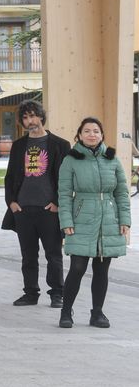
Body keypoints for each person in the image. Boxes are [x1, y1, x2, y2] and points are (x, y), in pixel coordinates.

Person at [57, 117, 130, 329]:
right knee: (77, 267)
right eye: (87, 131)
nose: (92, 134)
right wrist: (66, 220)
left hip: (108, 218)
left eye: (96, 131)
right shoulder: (71, 159)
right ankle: (66, 311)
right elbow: (63, 194)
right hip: (81, 217)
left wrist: (124, 220)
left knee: (102, 269)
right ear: (79, 135)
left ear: (102, 135)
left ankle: (97, 313)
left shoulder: (112, 159)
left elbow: (122, 193)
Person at [3, 100, 70, 308]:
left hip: (49, 210)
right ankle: (30, 293)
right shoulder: (18, 146)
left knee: (53, 255)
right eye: (24, 117)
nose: (29, 121)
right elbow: (10, 176)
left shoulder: (60, 145)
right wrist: (12, 202)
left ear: (41, 116)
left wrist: (58, 203)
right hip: (23, 210)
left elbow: (67, 178)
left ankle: (57, 293)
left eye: (32, 115)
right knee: (28, 256)